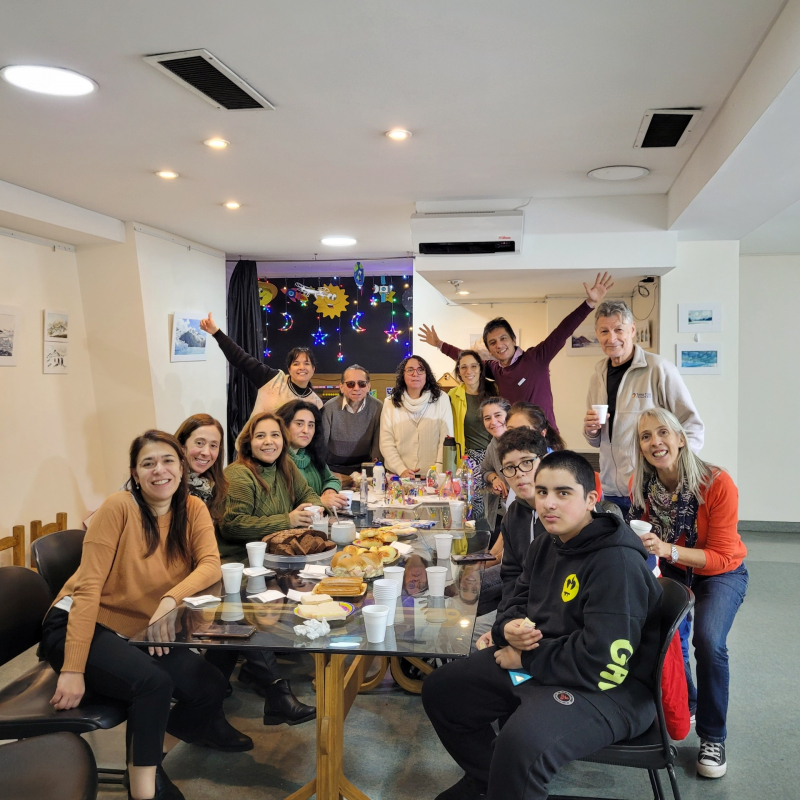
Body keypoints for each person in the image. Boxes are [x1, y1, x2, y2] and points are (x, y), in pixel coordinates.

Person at [422, 451, 662, 800]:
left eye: (563, 493)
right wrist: (508, 629)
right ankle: (488, 781)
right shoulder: (545, 545)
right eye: (543, 491)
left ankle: (505, 784)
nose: (549, 503)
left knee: (521, 742)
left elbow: (601, 662)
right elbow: (514, 602)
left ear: (591, 500)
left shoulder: (617, 564)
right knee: (443, 690)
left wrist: (525, 660)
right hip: (549, 662)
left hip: (612, 690)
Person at [40, 431, 249, 800]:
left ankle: (147, 762)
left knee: (209, 685)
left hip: (141, 627)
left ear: (182, 468)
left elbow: (211, 565)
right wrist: (73, 668)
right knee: (153, 684)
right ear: (135, 474)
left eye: (168, 460)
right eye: (147, 464)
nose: (159, 471)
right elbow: (87, 590)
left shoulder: (192, 508)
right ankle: (144, 790)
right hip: (80, 624)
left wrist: (171, 599)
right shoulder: (119, 507)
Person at [629, 408, 747, 779]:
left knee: (709, 642)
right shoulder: (642, 482)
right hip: (675, 569)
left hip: (721, 572)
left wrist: (668, 549)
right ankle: (689, 703)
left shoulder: (717, 483)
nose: (655, 442)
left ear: (681, 438)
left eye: (663, 433)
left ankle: (713, 735)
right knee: (667, 636)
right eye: (646, 437)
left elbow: (723, 555)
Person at [211, 412, 319, 725]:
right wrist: (287, 520)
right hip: (236, 563)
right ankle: (276, 692)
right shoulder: (239, 475)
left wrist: (310, 507)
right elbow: (232, 525)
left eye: (274, 435)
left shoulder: (285, 467)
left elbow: (308, 495)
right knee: (246, 612)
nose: (268, 442)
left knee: (233, 628)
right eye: (261, 436)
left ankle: (210, 689)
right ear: (248, 441)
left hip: (272, 561)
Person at [418, 272, 614, 428]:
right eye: (492, 342)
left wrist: (589, 304)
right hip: (514, 439)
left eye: (503, 338)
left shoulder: (536, 358)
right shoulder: (496, 370)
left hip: (545, 438)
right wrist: (440, 344)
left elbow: (562, 331)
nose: (499, 345)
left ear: (513, 339)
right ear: (490, 349)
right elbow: (469, 361)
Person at [583, 300, 704, 514]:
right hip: (611, 487)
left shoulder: (658, 369)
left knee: (651, 547)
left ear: (632, 330)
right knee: (618, 547)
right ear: (597, 334)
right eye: (604, 331)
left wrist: (673, 473)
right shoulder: (596, 376)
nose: (612, 338)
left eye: (619, 330)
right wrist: (591, 431)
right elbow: (597, 439)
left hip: (650, 486)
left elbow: (692, 426)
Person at [473, 427, 547, 643]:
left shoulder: (560, 513)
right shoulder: (514, 514)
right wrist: (504, 624)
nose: (519, 474)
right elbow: (511, 577)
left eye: (527, 462)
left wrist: (506, 633)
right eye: (509, 468)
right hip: (519, 616)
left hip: (548, 625)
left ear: (544, 460)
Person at [199, 311, 322, 415]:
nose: (302, 367)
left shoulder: (316, 403)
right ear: (289, 369)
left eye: (306, 363)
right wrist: (216, 332)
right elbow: (240, 358)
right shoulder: (271, 379)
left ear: (313, 369)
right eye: (296, 363)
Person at [379, 355, 454, 477]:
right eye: (410, 370)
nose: (415, 374)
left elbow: (446, 437)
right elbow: (386, 442)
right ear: (403, 375)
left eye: (421, 369)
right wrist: (401, 469)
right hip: (398, 476)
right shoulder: (390, 402)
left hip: (432, 476)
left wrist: (438, 471)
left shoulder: (441, 399)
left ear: (426, 374)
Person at [276, 399, 349, 512]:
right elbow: (280, 505)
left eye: (311, 425)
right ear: (284, 425)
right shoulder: (275, 460)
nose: (306, 430)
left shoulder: (311, 454)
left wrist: (330, 490)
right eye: (299, 424)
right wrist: (320, 501)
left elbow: (332, 479)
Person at [448, 350, 497, 518]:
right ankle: (476, 542)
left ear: (481, 368)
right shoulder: (452, 396)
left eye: (473, 366)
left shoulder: (496, 390)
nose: (469, 371)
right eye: (463, 367)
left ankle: (496, 541)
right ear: (458, 371)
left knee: (497, 506)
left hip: (496, 455)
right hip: (468, 459)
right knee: (473, 510)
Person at [320, 364, 383, 479]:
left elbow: (377, 448)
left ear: (369, 386)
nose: (356, 388)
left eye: (362, 384)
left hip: (364, 472)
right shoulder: (329, 409)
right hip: (333, 471)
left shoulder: (378, 408)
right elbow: (320, 448)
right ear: (341, 387)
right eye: (350, 384)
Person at [175, 413, 228, 528]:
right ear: (182, 445)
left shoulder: (214, 486)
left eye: (213, 445)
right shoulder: (168, 484)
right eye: (199, 443)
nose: (206, 452)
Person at [477, 397, 512, 534]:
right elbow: (485, 469)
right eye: (487, 418)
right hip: (502, 511)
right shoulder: (493, 444)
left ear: (508, 416)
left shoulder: (519, 443)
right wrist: (493, 478)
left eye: (498, 415)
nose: (493, 422)